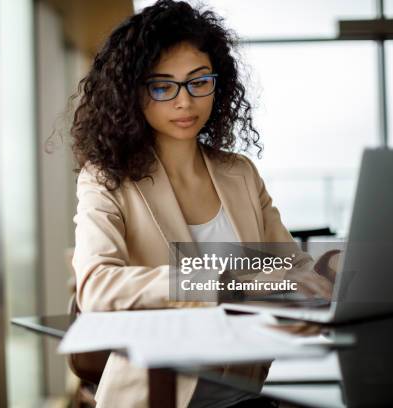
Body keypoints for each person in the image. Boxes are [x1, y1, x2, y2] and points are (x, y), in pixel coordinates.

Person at [69, 1, 333, 406]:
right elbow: (97, 285)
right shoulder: (107, 179)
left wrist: (294, 291)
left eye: (198, 82)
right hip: (153, 397)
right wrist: (224, 283)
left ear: (218, 82)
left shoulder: (240, 173)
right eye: (162, 86)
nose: (184, 101)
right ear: (133, 92)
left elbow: (296, 268)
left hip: (245, 394)